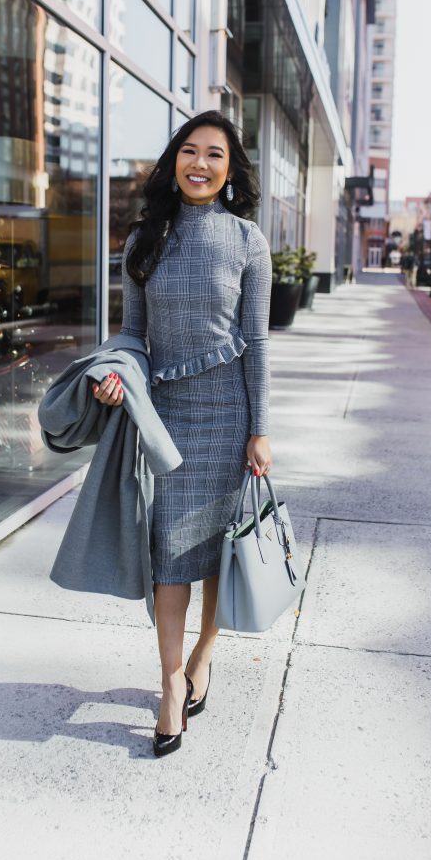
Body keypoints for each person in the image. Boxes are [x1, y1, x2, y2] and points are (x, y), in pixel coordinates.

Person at [92, 109, 272, 757]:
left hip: (227, 416)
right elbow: (132, 335)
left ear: (230, 169)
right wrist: (116, 374)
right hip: (164, 417)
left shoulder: (248, 239)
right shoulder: (144, 239)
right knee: (170, 557)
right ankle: (170, 685)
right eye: (190, 152)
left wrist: (261, 429)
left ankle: (203, 652)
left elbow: (255, 343)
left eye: (214, 155)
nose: (200, 164)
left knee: (216, 552)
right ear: (174, 162)